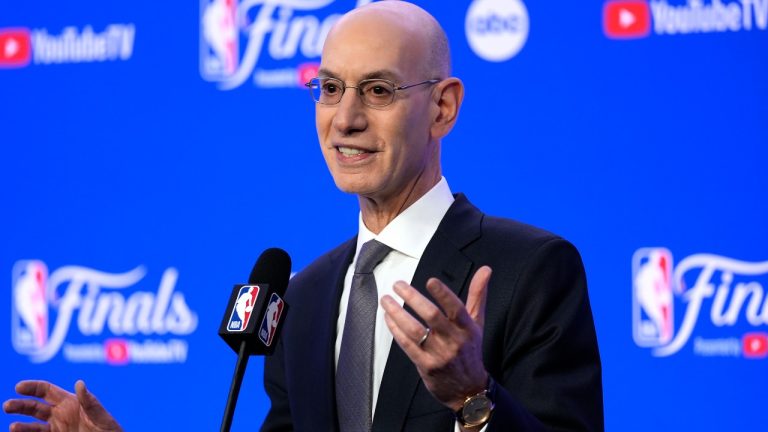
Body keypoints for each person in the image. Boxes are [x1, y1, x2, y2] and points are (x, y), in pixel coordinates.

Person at [4, 2, 603, 431]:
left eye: (378, 91)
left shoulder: (529, 270)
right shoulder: (305, 299)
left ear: (442, 107)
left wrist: (474, 399)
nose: (344, 118)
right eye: (330, 88)